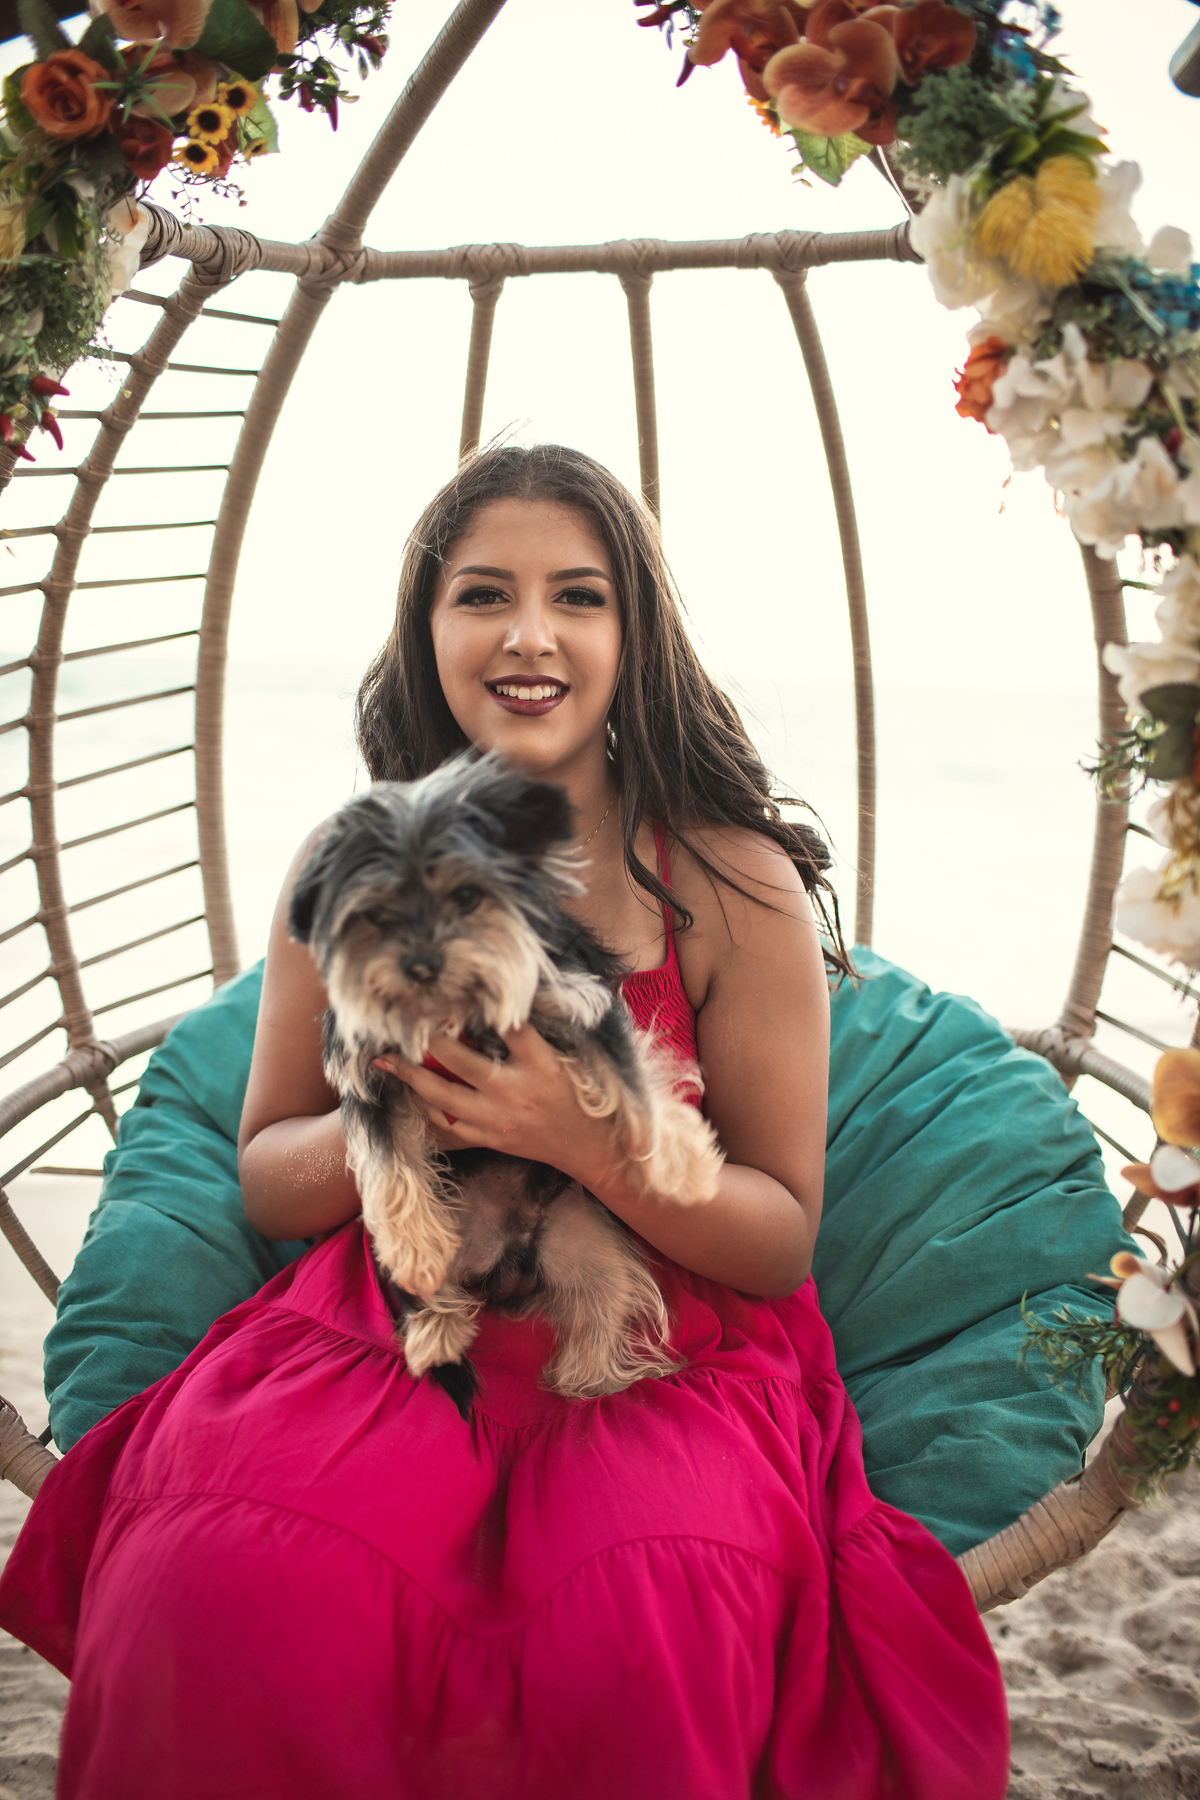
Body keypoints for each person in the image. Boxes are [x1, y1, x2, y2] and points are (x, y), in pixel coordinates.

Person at [0, 445, 1009, 1798]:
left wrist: (581, 1138)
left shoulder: (727, 880)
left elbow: (774, 1237)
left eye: (578, 597)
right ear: (428, 630)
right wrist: (398, 1113)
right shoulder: (347, 857)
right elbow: (264, 1174)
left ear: (633, 633)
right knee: (218, 1582)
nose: (529, 634)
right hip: (398, 1314)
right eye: (484, 594)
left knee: (638, 1624)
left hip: (658, 1333)